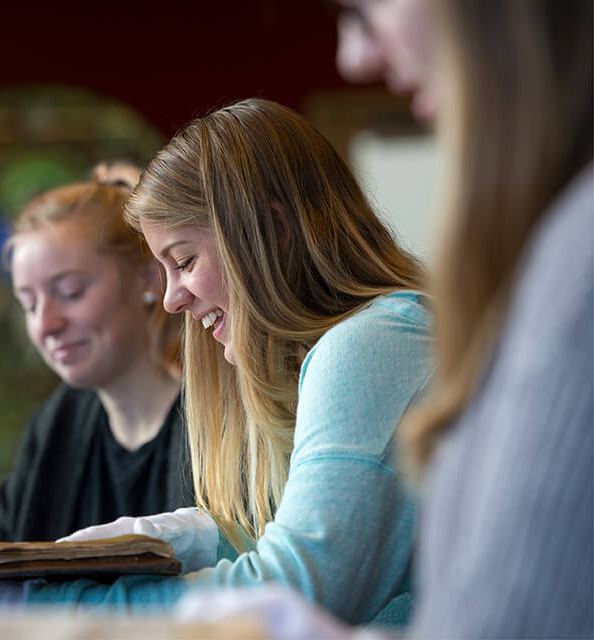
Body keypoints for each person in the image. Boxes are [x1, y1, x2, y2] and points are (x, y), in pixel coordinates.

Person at [0, 98, 435, 624]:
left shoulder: (371, 340)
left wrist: (50, 605)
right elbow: (296, 534)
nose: (171, 300)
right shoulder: (350, 347)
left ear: (273, 233)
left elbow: (297, 589)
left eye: (184, 261)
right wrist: (184, 538)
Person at [178, 1, 592, 638]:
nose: (354, 56)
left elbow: (511, 611)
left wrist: (68, 606)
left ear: (271, 235)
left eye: (366, 8)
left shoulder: (371, 341)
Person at [0, 172, 194, 543]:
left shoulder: (217, 423)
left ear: (148, 279)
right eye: (28, 304)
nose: (46, 324)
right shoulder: (56, 427)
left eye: (71, 292)